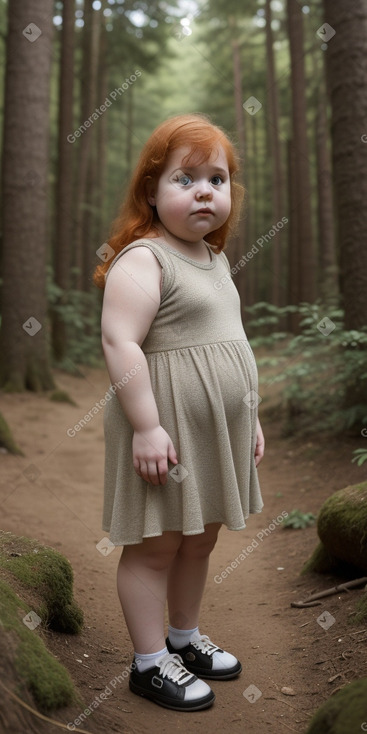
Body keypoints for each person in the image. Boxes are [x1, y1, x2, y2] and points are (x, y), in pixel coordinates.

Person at [95, 113, 265, 712]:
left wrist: (252, 417)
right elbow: (120, 342)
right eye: (185, 177)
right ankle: (147, 664)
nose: (203, 190)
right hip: (163, 432)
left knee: (200, 538)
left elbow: (232, 342)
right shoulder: (145, 258)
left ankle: (183, 638)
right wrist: (145, 426)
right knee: (156, 545)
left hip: (215, 432)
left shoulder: (215, 261)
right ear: (150, 190)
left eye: (216, 179)